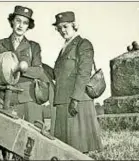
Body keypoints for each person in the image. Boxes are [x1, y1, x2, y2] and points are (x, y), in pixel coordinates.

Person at [0, 5, 44, 124]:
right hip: (5, 99)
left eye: (25, 23)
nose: (20, 25)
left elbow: (38, 71)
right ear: (12, 21)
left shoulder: (34, 47)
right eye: (18, 21)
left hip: (27, 99)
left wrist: (16, 68)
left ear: (28, 26)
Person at [52, 11, 102, 153]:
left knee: (79, 149)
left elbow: (84, 73)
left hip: (77, 102)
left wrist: (75, 99)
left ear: (74, 26)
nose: (62, 31)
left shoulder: (83, 44)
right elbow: (59, 75)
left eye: (65, 26)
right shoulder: (64, 48)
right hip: (63, 101)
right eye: (59, 28)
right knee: (65, 150)